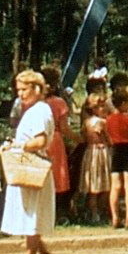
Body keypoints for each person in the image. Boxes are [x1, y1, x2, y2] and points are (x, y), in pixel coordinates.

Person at [0, 69, 56, 254]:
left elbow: (40, 141)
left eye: (24, 90)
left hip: (33, 168)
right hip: (29, 167)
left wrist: (18, 146)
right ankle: (42, 253)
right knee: (28, 212)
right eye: (18, 90)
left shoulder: (40, 111)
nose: (20, 94)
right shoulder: (34, 110)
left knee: (31, 213)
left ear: (37, 88)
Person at [41, 66, 72, 219]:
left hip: (38, 140)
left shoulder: (33, 102)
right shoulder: (59, 102)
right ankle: (58, 211)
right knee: (57, 174)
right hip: (55, 139)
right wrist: (78, 138)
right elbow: (65, 128)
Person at [106, 89, 128, 228]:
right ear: (124, 103)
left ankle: (115, 218)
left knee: (115, 186)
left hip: (115, 150)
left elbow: (108, 136)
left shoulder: (109, 119)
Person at [78, 92, 111, 221]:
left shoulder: (86, 122)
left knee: (93, 185)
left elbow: (84, 138)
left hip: (90, 152)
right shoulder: (102, 122)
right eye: (101, 106)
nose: (105, 109)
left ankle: (93, 213)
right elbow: (108, 139)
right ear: (94, 108)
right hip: (101, 153)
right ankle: (100, 212)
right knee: (104, 184)